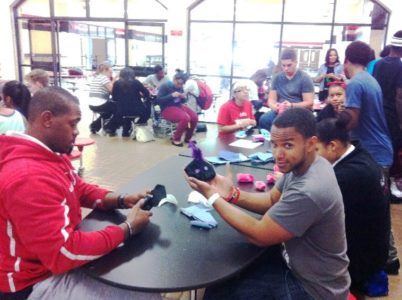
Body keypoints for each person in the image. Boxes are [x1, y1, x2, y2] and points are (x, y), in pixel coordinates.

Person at [0, 87, 160, 300]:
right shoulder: (28, 177)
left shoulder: (48, 154)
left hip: (51, 266)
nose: (76, 131)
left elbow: (79, 188)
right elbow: (64, 253)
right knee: (143, 295)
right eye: (72, 123)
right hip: (32, 284)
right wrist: (128, 228)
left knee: (138, 282)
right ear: (47, 119)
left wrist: (121, 199)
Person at [186, 107, 350, 299]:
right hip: (295, 263)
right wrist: (231, 194)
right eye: (274, 144)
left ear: (310, 143)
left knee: (220, 294)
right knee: (220, 282)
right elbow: (271, 200)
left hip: (312, 288)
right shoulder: (307, 164)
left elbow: (259, 235)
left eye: (288, 145)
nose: (277, 154)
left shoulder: (310, 189)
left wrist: (211, 196)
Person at [316, 115, 390, 295]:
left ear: (333, 146)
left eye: (316, 149)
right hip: (373, 247)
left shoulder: (349, 175)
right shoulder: (358, 152)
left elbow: (311, 208)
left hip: (360, 258)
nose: (312, 156)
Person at [342, 40, 398, 274]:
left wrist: (332, 122)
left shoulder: (356, 83)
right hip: (381, 150)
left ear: (347, 60)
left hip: (373, 153)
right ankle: (389, 257)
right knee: (378, 208)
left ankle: (386, 258)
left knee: (376, 210)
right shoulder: (369, 79)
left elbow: (352, 120)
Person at [373, 31, 402, 201]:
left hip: (378, 112)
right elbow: (399, 97)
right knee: (393, 148)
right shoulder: (399, 66)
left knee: (381, 147)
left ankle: (379, 184)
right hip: (392, 114)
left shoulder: (379, 64)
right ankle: (389, 187)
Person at [259, 48, 315, 131]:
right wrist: (275, 107)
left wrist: (291, 105)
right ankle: (273, 142)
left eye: (289, 65)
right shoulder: (277, 77)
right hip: (281, 111)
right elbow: (271, 100)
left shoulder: (304, 78)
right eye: (283, 65)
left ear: (296, 62)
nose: (285, 68)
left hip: (299, 111)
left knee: (289, 125)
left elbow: (309, 103)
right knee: (264, 120)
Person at [104, 67, 150, 137]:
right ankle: (137, 125)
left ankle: (122, 129)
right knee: (147, 111)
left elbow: (114, 97)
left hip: (121, 111)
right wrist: (139, 94)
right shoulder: (136, 82)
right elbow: (146, 93)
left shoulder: (116, 83)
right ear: (132, 74)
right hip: (136, 110)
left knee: (123, 112)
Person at [156, 70, 198, 147]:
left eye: (181, 84)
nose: (179, 85)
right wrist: (171, 95)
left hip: (178, 106)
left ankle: (188, 138)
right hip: (167, 108)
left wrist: (183, 97)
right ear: (174, 79)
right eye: (178, 83)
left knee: (194, 117)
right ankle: (176, 139)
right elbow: (158, 101)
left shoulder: (181, 87)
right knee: (185, 118)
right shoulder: (165, 86)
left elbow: (182, 101)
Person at [88, 63, 115, 135]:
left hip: (92, 104)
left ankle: (94, 126)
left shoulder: (97, 77)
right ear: (105, 70)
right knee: (119, 109)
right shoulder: (104, 78)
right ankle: (109, 127)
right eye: (110, 72)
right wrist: (114, 79)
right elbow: (112, 90)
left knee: (108, 112)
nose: (111, 74)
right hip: (100, 104)